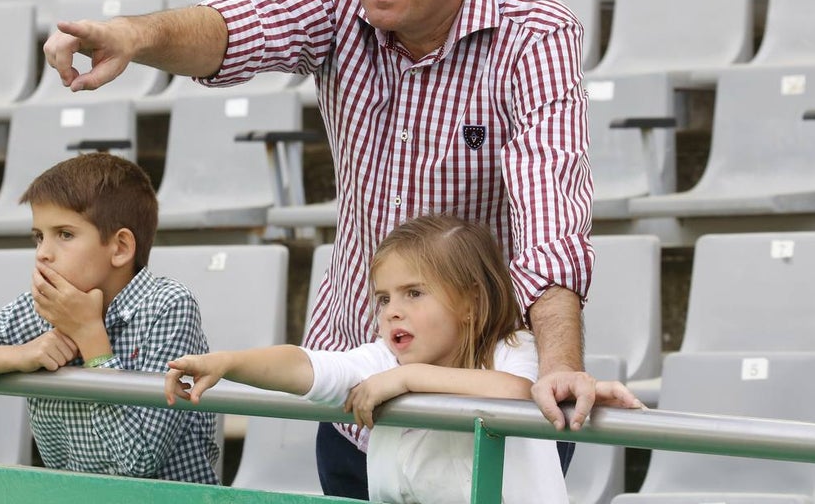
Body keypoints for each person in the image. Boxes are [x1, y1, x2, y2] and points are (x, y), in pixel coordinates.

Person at [43, 0, 641, 496]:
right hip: (358, 393)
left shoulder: (533, 32)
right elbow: (234, 29)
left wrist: (559, 365)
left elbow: (550, 216)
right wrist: (135, 36)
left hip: (489, 397)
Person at [166, 214, 603, 504]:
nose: (393, 309)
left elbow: (519, 394)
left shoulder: (514, 349)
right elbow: (311, 367)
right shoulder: (384, 361)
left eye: (414, 293)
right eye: (383, 297)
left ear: (471, 302)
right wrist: (230, 363)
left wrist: (411, 378)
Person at [0, 152, 220, 484]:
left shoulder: (168, 306)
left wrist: (91, 337)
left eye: (64, 234)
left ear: (120, 247)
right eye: (39, 236)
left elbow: (137, 461)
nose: (43, 253)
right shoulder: (38, 310)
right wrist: (18, 356)